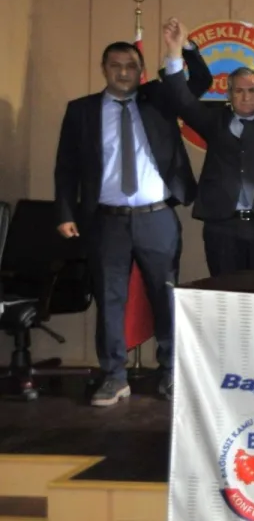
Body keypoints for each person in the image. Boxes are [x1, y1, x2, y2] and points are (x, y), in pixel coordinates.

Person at [54, 24, 212, 406]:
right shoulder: (82, 111)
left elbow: (201, 81)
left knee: (166, 296)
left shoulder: (160, 98)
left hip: (156, 218)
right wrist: (65, 212)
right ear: (103, 69)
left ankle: (171, 371)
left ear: (141, 70)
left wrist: (183, 47)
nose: (123, 72)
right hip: (106, 221)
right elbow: (66, 167)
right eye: (115, 65)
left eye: (130, 65)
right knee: (110, 300)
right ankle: (114, 376)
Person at [158, 19, 254, 276]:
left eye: (252, 90)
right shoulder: (213, 121)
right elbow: (182, 98)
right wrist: (176, 50)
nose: (245, 96)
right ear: (228, 94)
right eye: (239, 91)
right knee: (224, 292)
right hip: (222, 226)